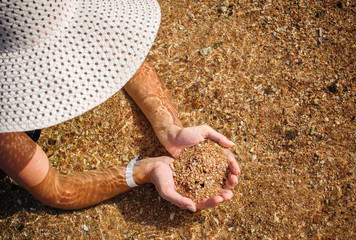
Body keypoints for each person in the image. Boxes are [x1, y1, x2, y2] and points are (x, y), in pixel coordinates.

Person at [0, 0, 240, 212]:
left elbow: (125, 59)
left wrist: (170, 129)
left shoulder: (49, 11)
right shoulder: (4, 133)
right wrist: (140, 172)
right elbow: (57, 189)